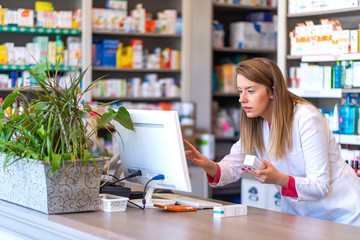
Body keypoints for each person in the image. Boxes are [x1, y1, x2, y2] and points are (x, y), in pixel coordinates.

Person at [184, 57, 360, 226]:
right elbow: (232, 166)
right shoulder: (256, 122)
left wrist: (279, 178)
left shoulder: (306, 118)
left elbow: (319, 186)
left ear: (272, 91)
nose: (242, 99)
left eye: (250, 91)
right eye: (240, 91)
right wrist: (208, 165)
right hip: (302, 217)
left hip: (342, 215)